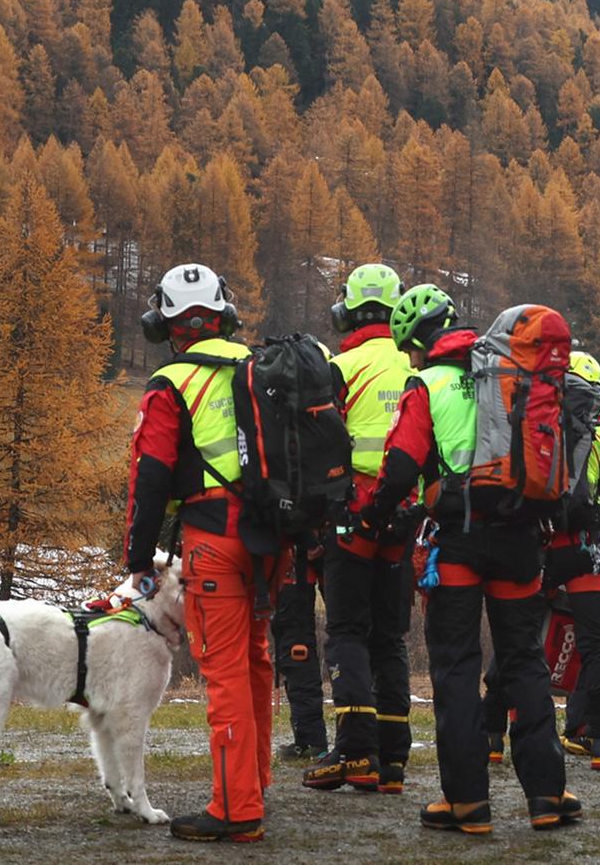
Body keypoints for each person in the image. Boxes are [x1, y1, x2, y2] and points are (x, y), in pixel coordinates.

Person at [355, 289, 583, 834]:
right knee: (524, 661)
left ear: (415, 345)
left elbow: (403, 465)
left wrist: (372, 516)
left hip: (459, 538)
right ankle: (547, 795)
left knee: (455, 668)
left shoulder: (426, 382)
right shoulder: (505, 373)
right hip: (521, 536)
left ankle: (466, 803)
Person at [120, 263, 276, 842]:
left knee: (226, 671)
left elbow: (151, 477)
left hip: (214, 540)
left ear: (166, 324)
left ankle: (237, 809)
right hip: (272, 539)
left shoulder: (171, 385)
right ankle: (254, 783)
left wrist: (140, 558)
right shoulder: (260, 367)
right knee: (257, 661)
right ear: (224, 316)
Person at [482, 349, 600, 771]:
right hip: (587, 551)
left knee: (517, 638)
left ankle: (493, 734)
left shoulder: (533, 430)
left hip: (541, 548)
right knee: (598, 645)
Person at [304, 263, 417, 795]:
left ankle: (355, 752)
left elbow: (318, 446)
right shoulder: (416, 364)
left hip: (350, 516)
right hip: (404, 515)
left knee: (347, 631)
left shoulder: (337, 365)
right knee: (390, 636)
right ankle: (393, 761)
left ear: (345, 311)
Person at [273, 546, 325, 759]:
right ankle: (305, 739)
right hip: (288, 585)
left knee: (298, 657)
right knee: (292, 662)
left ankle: (313, 741)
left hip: (297, 584)